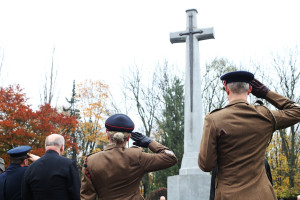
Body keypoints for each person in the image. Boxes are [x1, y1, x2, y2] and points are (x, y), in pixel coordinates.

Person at [198, 71, 300, 200]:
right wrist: (266, 93)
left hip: (229, 195)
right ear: (250, 89)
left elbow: (206, 165)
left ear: (226, 88)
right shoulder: (265, 116)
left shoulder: (214, 119)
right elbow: (297, 111)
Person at [81, 113, 178, 200]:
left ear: (107, 134)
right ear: (128, 137)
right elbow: (171, 158)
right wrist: (149, 142)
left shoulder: (90, 161)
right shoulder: (136, 156)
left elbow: (86, 197)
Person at [22, 134, 81, 200]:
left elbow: (25, 196)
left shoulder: (31, 168)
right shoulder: (68, 164)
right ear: (62, 147)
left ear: (45, 146)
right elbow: (76, 194)